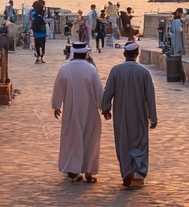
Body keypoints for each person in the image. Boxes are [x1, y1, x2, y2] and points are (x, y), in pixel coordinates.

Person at [102, 39, 158, 188]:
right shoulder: (144, 73)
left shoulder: (116, 71)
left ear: (125, 54)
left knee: (124, 144)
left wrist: (105, 109)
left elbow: (108, 93)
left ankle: (127, 173)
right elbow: (150, 97)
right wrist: (153, 117)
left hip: (121, 116)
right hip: (140, 115)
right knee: (140, 143)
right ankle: (139, 172)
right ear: (137, 53)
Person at [51, 42, 102, 183]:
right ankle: (89, 171)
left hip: (71, 111)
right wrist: (103, 107)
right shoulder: (91, 69)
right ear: (86, 54)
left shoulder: (65, 69)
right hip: (90, 111)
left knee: (73, 139)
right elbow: (98, 90)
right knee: (90, 140)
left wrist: (56, 106)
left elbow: (58, 88)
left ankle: (73, 170)